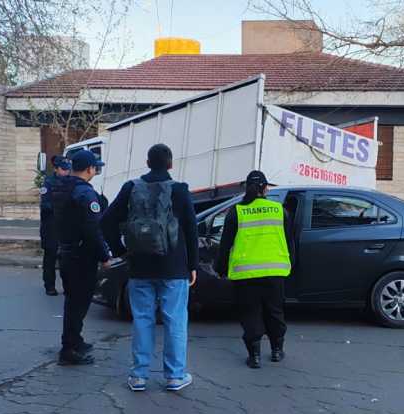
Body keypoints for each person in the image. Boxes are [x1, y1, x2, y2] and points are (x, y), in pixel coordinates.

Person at [102, 143, 198, 392]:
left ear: (147, 163)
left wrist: (121, 251)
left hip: (140, 266)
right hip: (174, 267)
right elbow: (191, 229)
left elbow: (107, 221)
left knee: (142, 320)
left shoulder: (131, 188)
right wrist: (193, 265)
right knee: (175, 320)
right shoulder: (180, 190)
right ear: (171, 164)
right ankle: (175, 376)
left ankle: (139, 376)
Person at [215, 170, 294, 369]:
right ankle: (277, 351)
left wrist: (220, 268)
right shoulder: (279, 210)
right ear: (266, 188)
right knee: (274, 312)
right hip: (275, 272)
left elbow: (225, 245)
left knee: (251, 313)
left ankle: (255, 356)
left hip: (246, 274)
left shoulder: (236, 212)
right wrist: (291, 265)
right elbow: (290, 242)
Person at [53, 149, 111, 366]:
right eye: (95, 167)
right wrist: (104, 256)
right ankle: (68, 349)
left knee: (72, 301)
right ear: (89, 169)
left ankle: (75, 341)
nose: (96, 171)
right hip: (81, 256)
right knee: (79, 303)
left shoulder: (62, 187)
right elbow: (92, 229)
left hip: (66, 252)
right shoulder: (85, 194)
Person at [40, 155, 71, 296]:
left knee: (66, 258)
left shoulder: (71, 182)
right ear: (56, 169)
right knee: (50, 257)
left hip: (65, 226)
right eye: (63, 169)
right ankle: (50, 286)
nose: (66, 172)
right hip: (51, 226)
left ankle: (68, 286)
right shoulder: (48, 183)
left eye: (68, 169)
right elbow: (45, 205)